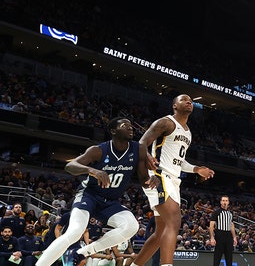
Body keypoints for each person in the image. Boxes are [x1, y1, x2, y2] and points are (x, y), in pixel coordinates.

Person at [35, 117, 159, 266]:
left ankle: (83, 252)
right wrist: (92, 170)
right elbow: (70, 166)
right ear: (113, 131)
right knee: (75, 231)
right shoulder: (98, 150)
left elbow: (143, 179)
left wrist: (152, 180)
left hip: (110, 202)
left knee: (132, 226)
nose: (130, 127)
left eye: (131, 125)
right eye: (125, 125)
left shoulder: (138, 149)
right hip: (89, 196)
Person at [131, 94, 215, 266]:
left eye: (191, 100)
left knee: (160, 232)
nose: (189, 101)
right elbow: (141, 143)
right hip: (159, 175)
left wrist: (197, 169)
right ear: (174, 105)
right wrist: (147, 157)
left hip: (173, 180)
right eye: (184, 99)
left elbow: (179, 161)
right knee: (174, 221)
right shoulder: (166, 122)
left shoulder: (188, 133)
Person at [209, 195, 237, 266]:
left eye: (226, 201)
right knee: (217, 257)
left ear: (228, 202)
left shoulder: (230, 213)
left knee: (229, 258)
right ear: (221, 202)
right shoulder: (216, 212)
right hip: (219, 235)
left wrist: (234, 237)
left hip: (228, 236)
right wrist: (212, 237)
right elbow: (211, 225)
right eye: (223, 201)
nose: (225, 202)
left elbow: (232, 225)